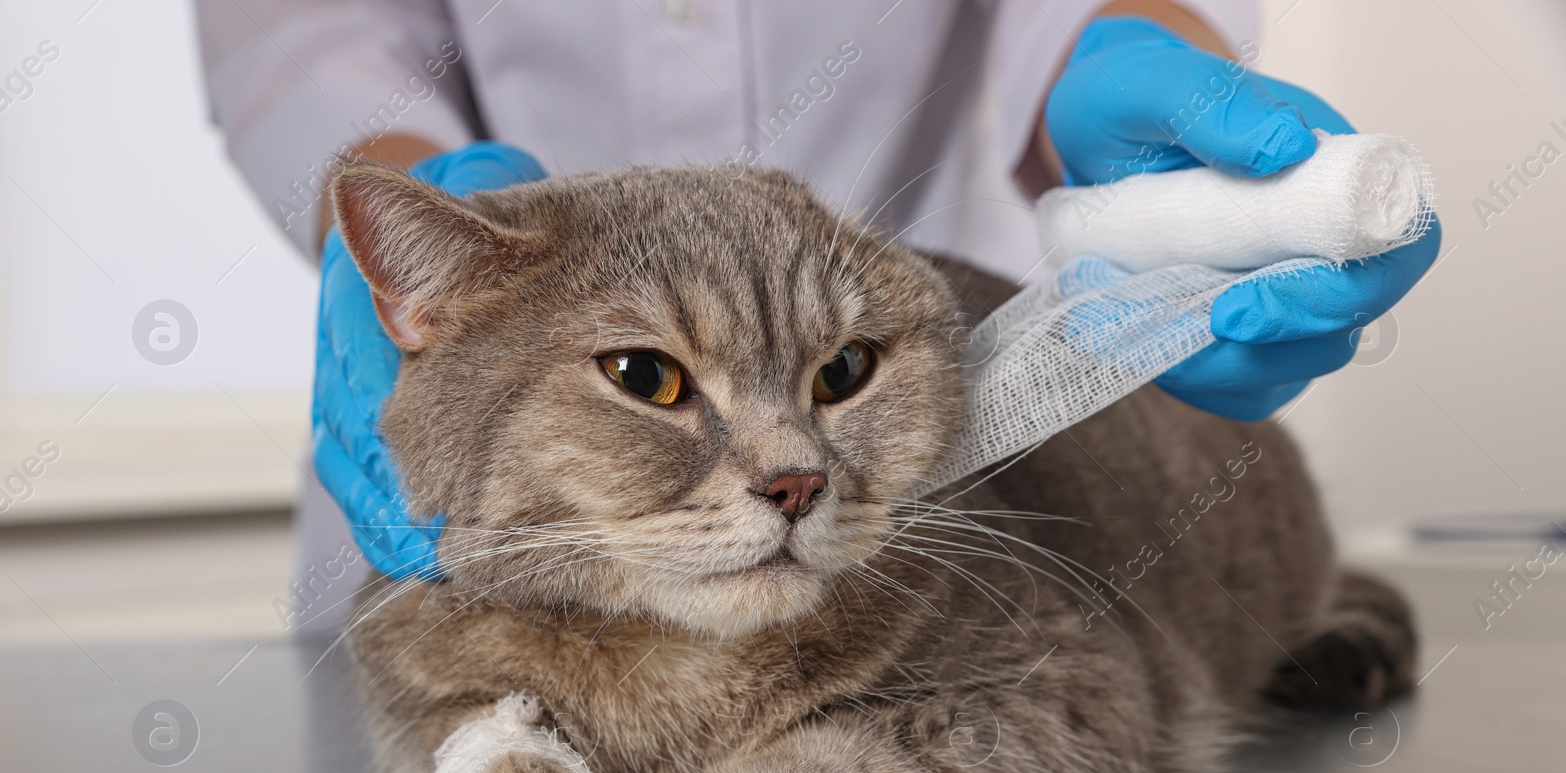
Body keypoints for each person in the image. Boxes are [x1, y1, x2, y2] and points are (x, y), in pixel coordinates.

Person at [194, 0, 1440, 631]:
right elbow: (307, 41)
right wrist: (444, 259)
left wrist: (1137, 74)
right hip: (508, 459)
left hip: (887, 487)